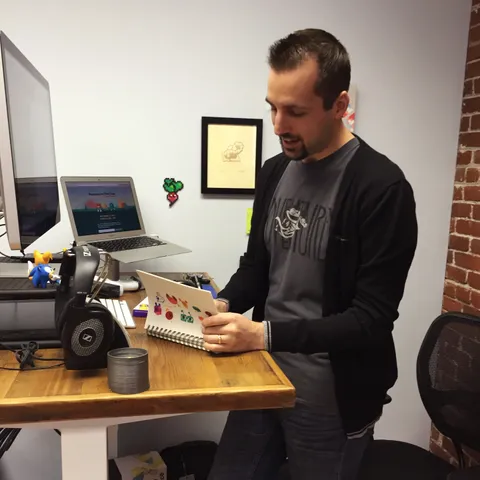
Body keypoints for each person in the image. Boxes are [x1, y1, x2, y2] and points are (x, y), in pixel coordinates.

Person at [202, 28, 418, 480]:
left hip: (332, 403)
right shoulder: (275, 170)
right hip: (261, 377)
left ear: (339, 106)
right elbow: (256, 267)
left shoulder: (383, 189)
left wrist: (262, 335)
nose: (278, 125)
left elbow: (370, 318)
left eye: (295, 112)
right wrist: (221, 303)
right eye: (273, 108)